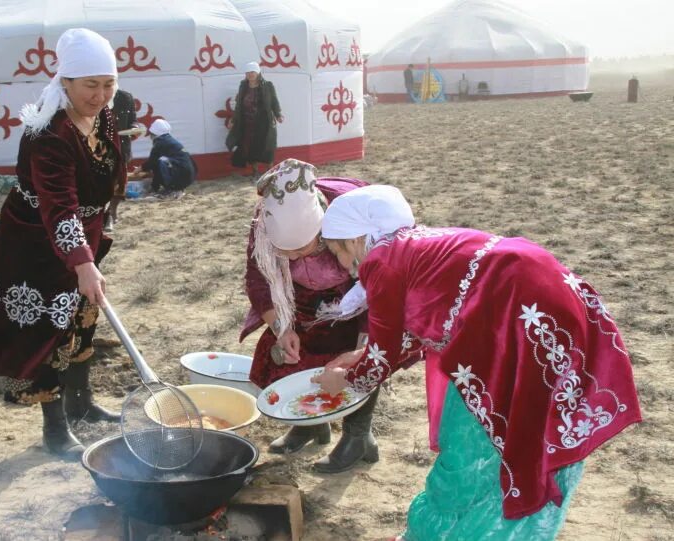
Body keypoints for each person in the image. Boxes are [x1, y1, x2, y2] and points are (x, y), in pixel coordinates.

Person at [313, 185, 642, 539]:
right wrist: (361, 355)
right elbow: (421, 319)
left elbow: (382, 356)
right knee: (529, 419)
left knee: (489, 439)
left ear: (356, 238)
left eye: (339, 252)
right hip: (545, 297)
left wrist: (346, 381)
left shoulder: (381, 262)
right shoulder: (409, 244)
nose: (344, 266)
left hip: (516, 321)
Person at [0, 28, 125, 461]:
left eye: (108, 84)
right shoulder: (49, 132)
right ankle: (55, 429)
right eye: (90, 85)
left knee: (83, 317)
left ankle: (81, 402)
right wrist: (82, 262)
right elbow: (58, 207)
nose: (101, 94)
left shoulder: (103, 115)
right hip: (36, 241)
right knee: (47, 330)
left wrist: (93, 240)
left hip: (81, 235)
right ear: (65, 80)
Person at [240, 159, 379, 470]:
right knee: (301, 353)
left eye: (305, 249)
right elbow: (258, 278)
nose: (295, 257)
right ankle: (310, 423)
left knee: (358, 359)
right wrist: (281, 327)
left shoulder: (352, 218)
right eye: (286, 253)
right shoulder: (266, 223)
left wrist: (363, 345)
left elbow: (378, 288)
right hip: (297, 297)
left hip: (358, 296)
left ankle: (358, 437)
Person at [226, 61, 283, 179]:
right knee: (250, 146)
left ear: (258, 72)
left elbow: (274, 101)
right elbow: (239, 105)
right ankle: (255, 172)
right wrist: (234, 119)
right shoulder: (243, 86)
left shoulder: (268, 85)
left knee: (267, 146)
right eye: (247, 73)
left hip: (264, 122)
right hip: (247, 122)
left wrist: (278, 114)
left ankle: (270, 172)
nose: (250, 75)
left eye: (252, 72)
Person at [129, 119, 196, 198]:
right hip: (189, 176)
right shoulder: (168, 140)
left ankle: (169, 189)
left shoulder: (160, 142)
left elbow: (152, 162)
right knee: (159, 163)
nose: (150, 136)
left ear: (155, 133)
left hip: (182, 175)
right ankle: (174, 188)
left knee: (158, 163)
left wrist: (140, 169)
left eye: (151, 134)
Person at [106, 88, 137, 232]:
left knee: (120, 184)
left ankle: (112, 213)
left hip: (121, 149)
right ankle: (105, 217)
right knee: (103, 184)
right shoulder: (93, 96)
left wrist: (134, 128)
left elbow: (133, 121)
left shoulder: (125, 97)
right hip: (99, 150)